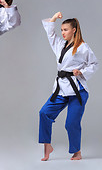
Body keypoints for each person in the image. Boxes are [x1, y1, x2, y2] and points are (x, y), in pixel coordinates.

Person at [39, 12, 98, 161]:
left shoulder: (83, 47)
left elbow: (94, 64)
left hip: (77, 90)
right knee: (44, 113)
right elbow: (50, 33)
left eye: (66, 29)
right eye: (62, 30)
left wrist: (81, 72)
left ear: (74, 30)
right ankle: (47, 146)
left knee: (71, 123)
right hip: (61, 88)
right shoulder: (59, 44)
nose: (63, 33)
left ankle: (77, 151)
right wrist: (53, 18)